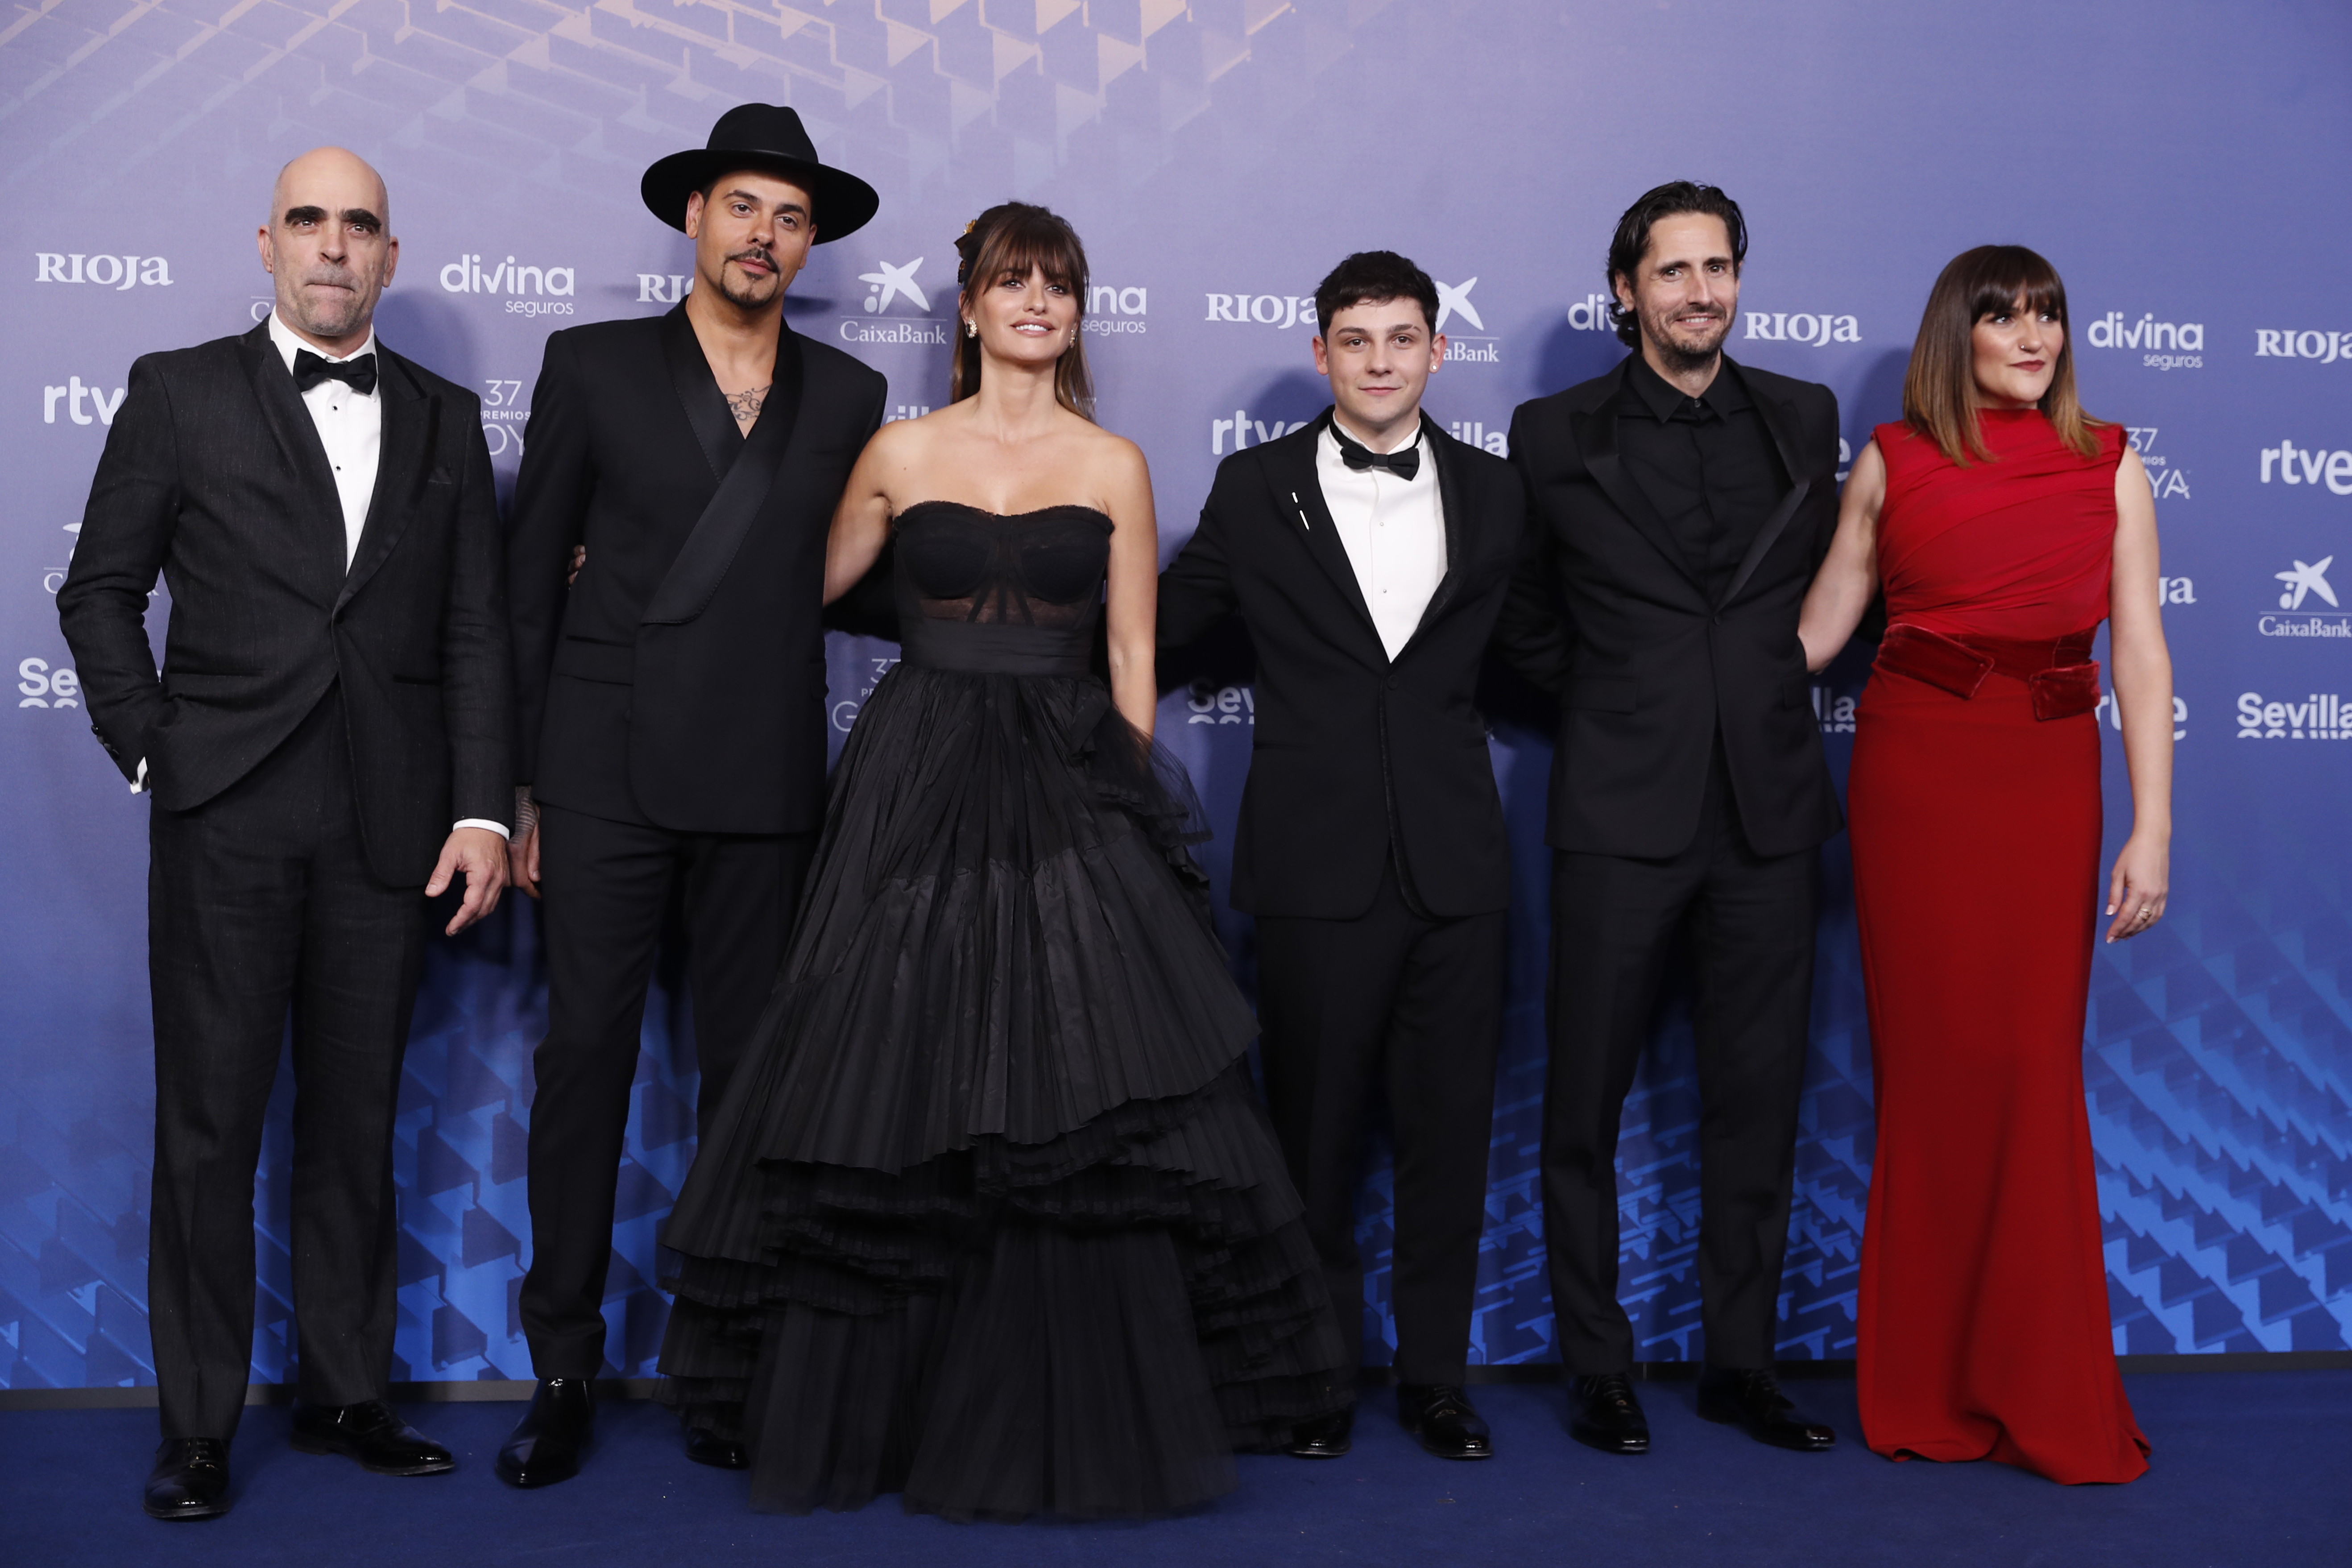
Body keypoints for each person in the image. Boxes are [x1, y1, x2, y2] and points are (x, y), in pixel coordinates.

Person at [654, 201, 1349, 1521]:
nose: (1037, 302)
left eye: (1058, 286)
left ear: (1076, 315)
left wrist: (1128, 801)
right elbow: (788, 590)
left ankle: (1058, 1391)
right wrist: (632, 568)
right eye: (1012, 282)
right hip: (915, 777)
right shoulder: (900, 450)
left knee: (1072, 1085)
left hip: (1070, 781)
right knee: (901, 1067)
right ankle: (889, 1399)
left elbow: (1133, 654)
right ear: (969, 308)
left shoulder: (1115, 464)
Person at [56, 148, 513, 1520]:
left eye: (358, 225)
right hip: (228, 817)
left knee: (356, 1120)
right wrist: (156, 746)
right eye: (307, 220)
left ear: (390, 256)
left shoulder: (446, 417)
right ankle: (198, 1425)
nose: (332, 245)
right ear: (267, 244)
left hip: (391, 824)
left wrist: (481, 806)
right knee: (209, 1127)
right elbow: (98, 590)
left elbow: (475, 630)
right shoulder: (178, 391)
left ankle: (347, 1389)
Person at [496, 103, 886, 1487]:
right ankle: (561, 1367)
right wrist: (520, 787)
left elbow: (854, 572)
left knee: (750, 1085)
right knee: (585, 1066)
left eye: (790, 216)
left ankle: (727, 1363)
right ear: (694, 217)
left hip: (764, 774)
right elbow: (527, 586)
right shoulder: (593, 363)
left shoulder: (851, 397)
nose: (763, 235)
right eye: (742, 207)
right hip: (602, 771)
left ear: (811, 241)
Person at [1798, 245, 2163, 1485]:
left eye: (2049, 314)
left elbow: (2142, 652)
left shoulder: (2110, 460)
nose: (2034, 335)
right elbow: (1818, 631)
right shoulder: (1894, 460)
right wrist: (1669, 670)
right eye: (2005, 316)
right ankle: (1927, 1384)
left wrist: (2154, 827)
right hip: (1918, 776)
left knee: (2029, 1069)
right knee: (1933, 1073)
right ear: (1957, 334)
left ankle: (2041, 1382)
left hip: (2049, 778)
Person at [1156, 251, 1527, 1462]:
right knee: (1309, 1142)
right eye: (1355, 341)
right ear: (1320, 353)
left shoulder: (1498, 492)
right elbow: (1163, 626)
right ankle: (1312, 1378)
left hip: (1457, 867)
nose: (1379, 361)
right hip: (1314, 867)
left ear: (1438, 351)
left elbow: (1551, 651)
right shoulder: (1256, 487)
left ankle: (1437, 1381)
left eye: (1402, 338)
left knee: (1448, 1139)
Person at [1496, 182, 1842, 1455]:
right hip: (1618, 805)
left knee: (1758, 1103)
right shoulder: (1554, 431)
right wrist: (1616, 696)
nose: (1700, 292)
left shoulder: (1804, 416)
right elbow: (1518, 609)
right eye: (1673, 270)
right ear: (1627, 289)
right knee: (1584, 1102)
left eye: (1718, 268)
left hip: (1768, 810)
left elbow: (1833, 583)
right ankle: (1598, 1365)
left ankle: (1742, 1364)